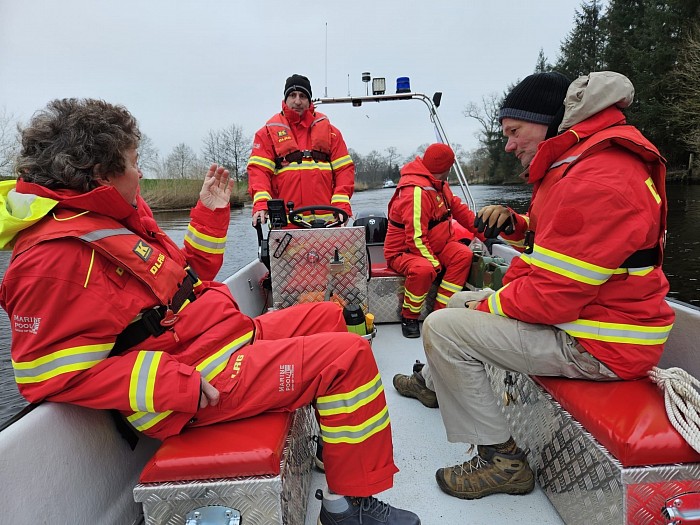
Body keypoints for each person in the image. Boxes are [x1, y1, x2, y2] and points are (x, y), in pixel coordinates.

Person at [0, 98, 420, 525]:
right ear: (99, 174)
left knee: (329, 315)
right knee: (347, 358)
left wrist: (209, 214)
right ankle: (347, 506)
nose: (141, 172)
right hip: (190, 378)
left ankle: (334, 450)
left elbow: (188, 276)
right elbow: (45, 376)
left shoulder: (112, 216)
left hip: (212, 339)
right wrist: (173, 383)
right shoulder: (51, 259)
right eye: (133, 162)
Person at [393, 71, 675, 500]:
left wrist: (485, 310)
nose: (508, 144)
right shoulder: (585, 164)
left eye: (513, 131)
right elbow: (566, 246)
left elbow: (551, 299)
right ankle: (434, 385)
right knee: (466, 299)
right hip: (592, 321)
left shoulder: (596, 178)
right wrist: (516, 224)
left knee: (443, 328)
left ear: (548, 122)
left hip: (599, 344)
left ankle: (501, 463)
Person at [384, 143, 483, 340]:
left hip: (435, 246)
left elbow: (461, 212)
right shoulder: (416, 193)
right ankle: (409, 317)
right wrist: (436, 265)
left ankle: (441, 313)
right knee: (424, 269)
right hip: (404, 252)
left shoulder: (439, 185)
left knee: (463, 255)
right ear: (446, 168)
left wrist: (485, 233)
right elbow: (416, 239)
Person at [247, 74, 355, 226]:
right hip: (286, 227)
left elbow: (344, 170)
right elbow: (259, 172)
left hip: (328, 224)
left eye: (303, 96)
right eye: (292, 95)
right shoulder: (266, 134)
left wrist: (341, 203)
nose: (297, 101)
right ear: (285, 99)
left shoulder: (331, 133)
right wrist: (261, 203)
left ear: (309, 100)